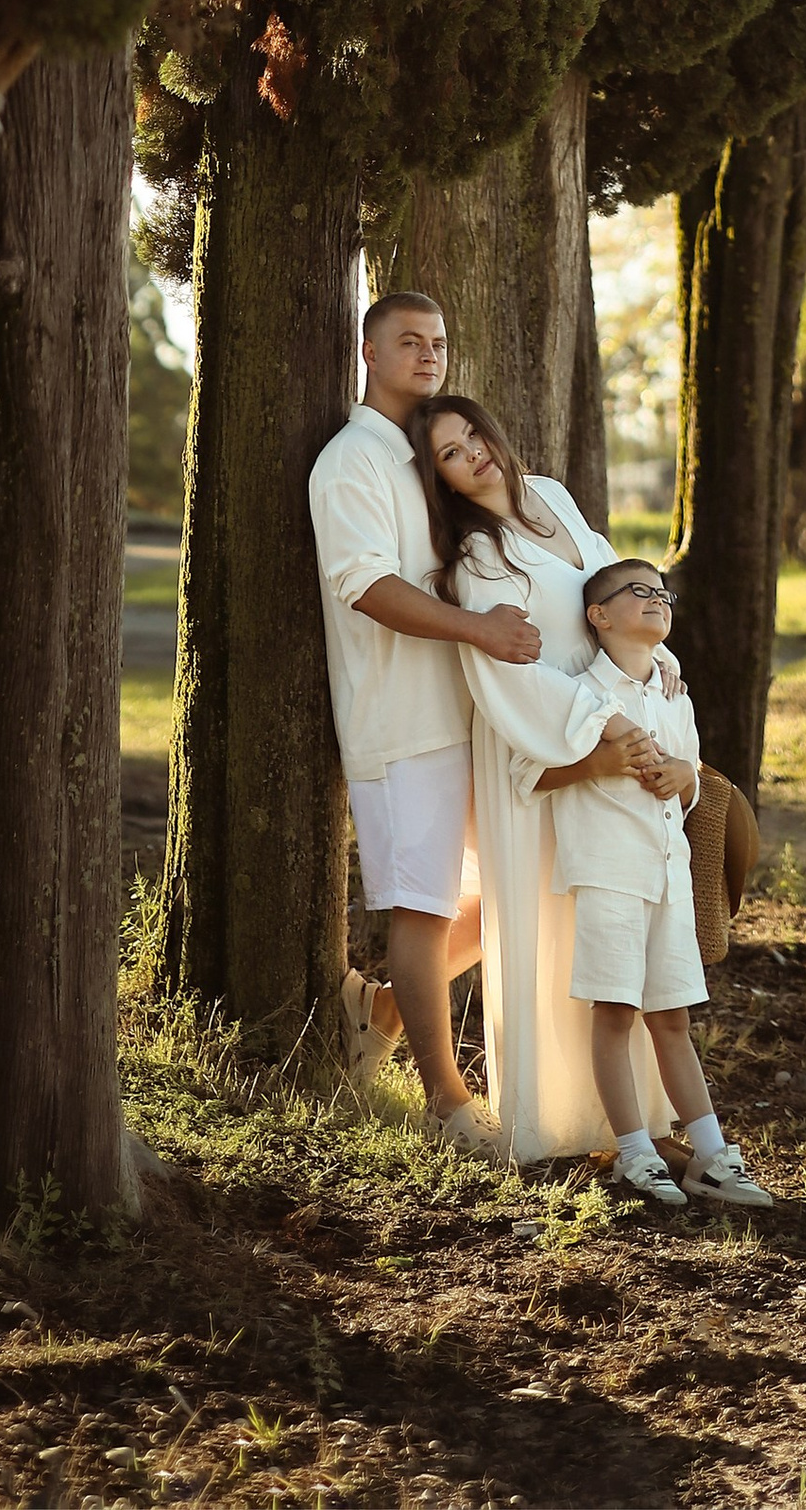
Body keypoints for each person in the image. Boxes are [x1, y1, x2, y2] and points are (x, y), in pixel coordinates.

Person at [412, 393, 678, 1165]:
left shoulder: (553, 497)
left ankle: (637, 1122)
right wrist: (604, 726)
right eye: (451, 454)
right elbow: (514, 675)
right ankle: (558, 1123)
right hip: (546, 752)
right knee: (553, 929)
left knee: (612, 921)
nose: (473, 454)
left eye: (474, 436)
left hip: (611, 736)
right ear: (445, 482)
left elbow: (617, 587)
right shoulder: (474, 560)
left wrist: (656, 662)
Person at [307, 292, 536, 1156]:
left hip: (472, 711)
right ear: (368, 351)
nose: (429, 352)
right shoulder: (350, 461)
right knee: (424, 906)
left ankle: (387, 1007)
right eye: (408, 339)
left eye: (439, 339)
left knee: (519, 881)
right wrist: (481, 629)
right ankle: (446, 1100)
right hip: (399, 718)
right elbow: (363, 583)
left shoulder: (425, 454)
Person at [551, 557, 772, 1211]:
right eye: (637, 591)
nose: (655, 598)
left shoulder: (676, 695)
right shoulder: (581, 693)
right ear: (599, 614)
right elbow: (535, 773)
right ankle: (636, 1152)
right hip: (609, 868)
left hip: (667, 872)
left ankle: (710, 1155)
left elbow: (694, 777)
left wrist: (685, 774)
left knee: (670, 1016)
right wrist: (603, 761)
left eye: (661, 591)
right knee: (616, 1012)